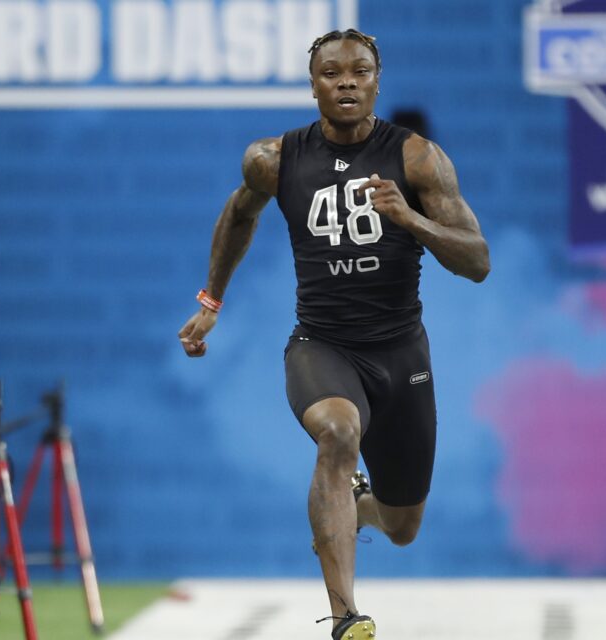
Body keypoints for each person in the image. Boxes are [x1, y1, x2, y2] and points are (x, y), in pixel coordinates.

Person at [178, 28, 489, 640]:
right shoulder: (274, 158)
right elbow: (239, 213)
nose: (346, 81)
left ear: (377, 81)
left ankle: (360, 502)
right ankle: (346, 615)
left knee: (402, 528)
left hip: (401, 355)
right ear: (313, 82)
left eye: (359, 71)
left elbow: (477, 260)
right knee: (338, 431)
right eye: (332, 72)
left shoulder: (417, 158)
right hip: (322, 345)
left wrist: (409, 217)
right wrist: (211, 299)